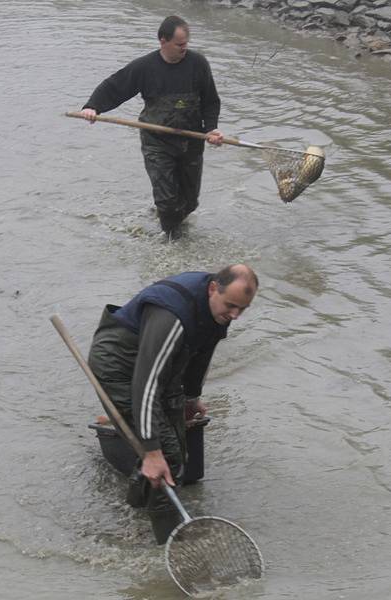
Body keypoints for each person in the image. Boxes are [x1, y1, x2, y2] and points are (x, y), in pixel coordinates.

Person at [88, 264, 258, 544]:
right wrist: (153, 451)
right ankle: (169, 544)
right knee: (167, 457)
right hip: (120, 363)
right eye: (231, 306)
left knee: (179, 441)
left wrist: (190, 399)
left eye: (243, 309)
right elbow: (146, 384)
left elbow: (202, 350)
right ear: (213, 288)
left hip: (160, 360)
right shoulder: (172, 317)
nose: (235, 316)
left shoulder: (219, 309)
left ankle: (136, 502)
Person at [79, 15, 224, 240]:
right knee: (167, 201)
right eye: (179, 45)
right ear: (162, 41)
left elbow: (211, 101)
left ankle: (173, 223)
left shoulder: (198, 64)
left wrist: (211, 130)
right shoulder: (145, 67)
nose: (184, 48)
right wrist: (93, 107)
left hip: (191, 140)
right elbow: (115, 86)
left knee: (189, 202)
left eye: (186, 44)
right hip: (157, 141)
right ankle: (172, 244)